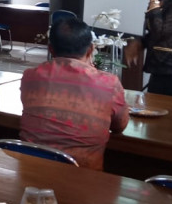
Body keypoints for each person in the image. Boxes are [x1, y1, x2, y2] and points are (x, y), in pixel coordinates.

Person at [19, 17, 129, 170]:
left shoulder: (30, 76)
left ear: (50, 49)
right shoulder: (109, 83)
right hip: (82, 178)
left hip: (30, 172)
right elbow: (120, 126)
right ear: (90, 49)